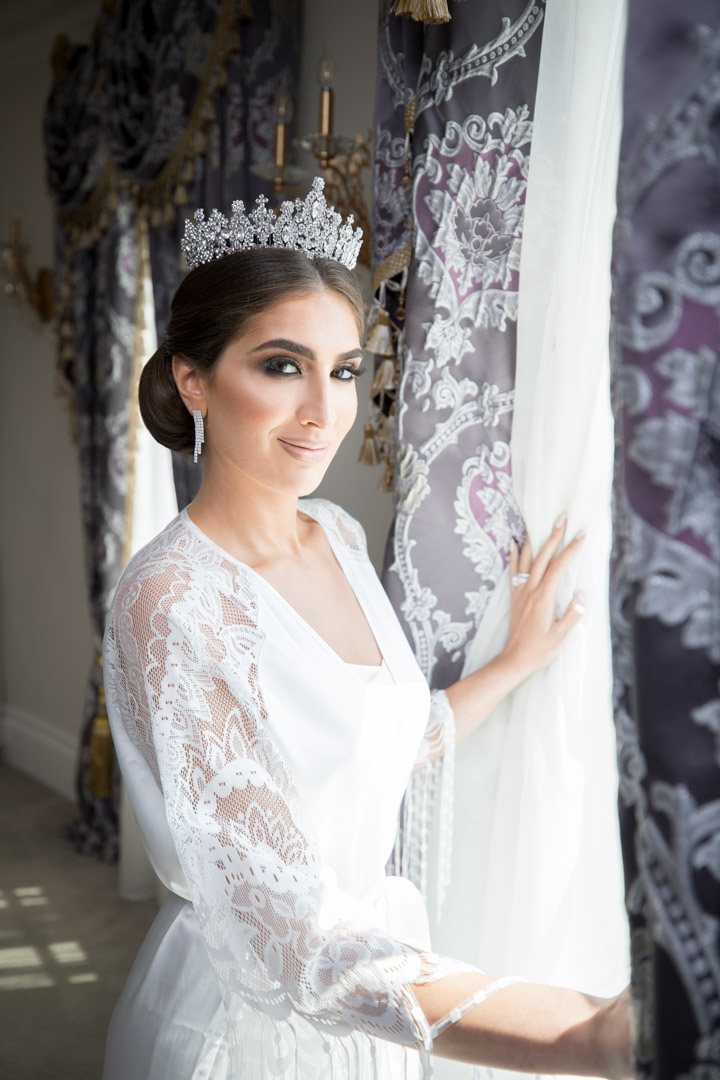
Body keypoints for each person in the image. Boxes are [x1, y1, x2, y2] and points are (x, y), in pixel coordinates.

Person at [102, 179, 631, 1080]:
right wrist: (589, 1038)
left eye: (344, 370)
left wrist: (516, 659)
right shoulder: (170, 602)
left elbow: (382, 741)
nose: (325, 409)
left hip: (380, 988)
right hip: (252, 1022)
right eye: (282, 365)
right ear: (193, 379)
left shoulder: (339, 536)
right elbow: (296, 937)